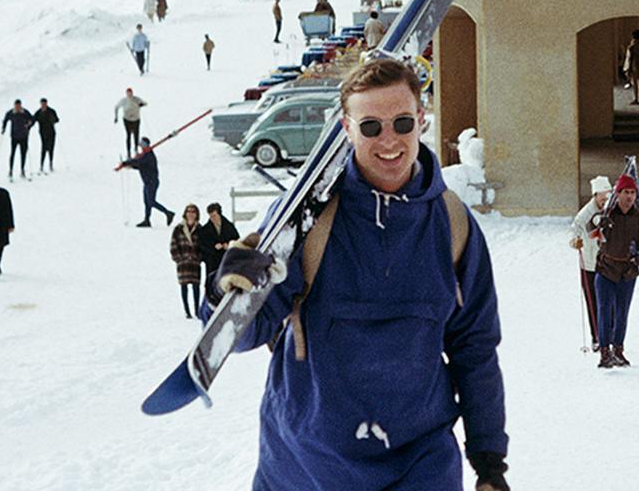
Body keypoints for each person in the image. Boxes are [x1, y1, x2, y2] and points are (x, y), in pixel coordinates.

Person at [210, 55, 508, 491]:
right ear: (346, 129)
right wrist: (230, 291)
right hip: (307, 464)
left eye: (402, 123)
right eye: (371, 127)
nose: (389, 140)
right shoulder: (306, 219)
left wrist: (489, 463)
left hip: (418, 464)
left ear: (421, 120)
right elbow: (241, 335)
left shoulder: (453, 225)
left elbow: (475, 348)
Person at [592, 173, 639, 367]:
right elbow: (590, 224)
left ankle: (618, 349)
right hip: (606, 269)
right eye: (625, 192)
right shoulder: (607, 215)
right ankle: (604, 351)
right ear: (617, 194)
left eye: (632, 193)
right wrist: (599, 224)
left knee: (621, 312)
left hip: (627, 272)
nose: (629, 197)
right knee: (604, 310)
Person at [568, 174, 612, 354]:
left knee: (610, 302)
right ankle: (597, 337)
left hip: (609, 263)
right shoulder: (584, 215)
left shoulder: (611, 209)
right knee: (594, 302)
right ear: (595, 196)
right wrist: (574, 242)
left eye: (607, 198)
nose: (604, 202)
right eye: (601, 199)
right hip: (590, 264)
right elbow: (574, 234)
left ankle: (610, 336)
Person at [123, 137, 174, 227]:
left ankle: (168, 213)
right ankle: (147, 220)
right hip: (147, 182)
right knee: (147, 202)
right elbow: (140, 165)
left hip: (152, 182)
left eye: (142, 144)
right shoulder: (144, 155)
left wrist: (127, 162)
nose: (141, 145)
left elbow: (138, 162)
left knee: (151, 201)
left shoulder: (148, 155)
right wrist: (130, 165)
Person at [171, 203, 204, 317]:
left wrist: (199, 257)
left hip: (194, 262)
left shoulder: (200, 229)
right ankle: (187, 311)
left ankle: (196, 310)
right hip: (183, 262)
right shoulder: (178, 229)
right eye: (188, 211)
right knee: (184, 286)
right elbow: (173, 245)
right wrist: (178, 258)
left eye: (193, 212)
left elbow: (203, 245)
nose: (190, 214)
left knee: (196, 287)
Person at [199, 201, 239, 284]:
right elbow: (202, 246)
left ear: (219, 214)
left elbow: (237, 240)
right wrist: (213, 247)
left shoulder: (229, 227)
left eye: (214, 216)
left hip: (227, 260)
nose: (213, 218)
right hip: (213, 263)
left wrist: (228, 245)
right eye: (211, 216)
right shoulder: (205, 230)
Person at [2, 99, 34, 178]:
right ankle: (10, 170)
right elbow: (5, 120)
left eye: (19, 106)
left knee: (23, 153)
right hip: (14, 136)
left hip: (24, 136)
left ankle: (22, 169)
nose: (17, 108)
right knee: (12, 153)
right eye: (16, 106)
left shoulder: (24, 112)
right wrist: (3, 128)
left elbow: (32, 119)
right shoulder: (11, 113)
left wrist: (28, 126)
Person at [115, 88, 146, 157]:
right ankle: (128, 152)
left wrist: (142, 104)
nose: (129, 94)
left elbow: (145, 103)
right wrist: (116, 117)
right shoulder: (124, 101)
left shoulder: (136, 99)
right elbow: (116, 107)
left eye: (130, 93)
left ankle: (136, 150)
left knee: (136, 135)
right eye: (128, 93)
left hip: (136, 120)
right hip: (127, 120)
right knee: (128, 135)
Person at [623, 30, 639, 106]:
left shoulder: (631, 47)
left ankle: (636, 98)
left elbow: (630, 58)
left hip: (634, 67)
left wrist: (628, 69)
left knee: (635, 84)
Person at [35, 97, 59, 172]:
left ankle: (51, 164)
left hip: (51, 132)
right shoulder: (38, 112)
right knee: (44, 148)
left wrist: (53, 120)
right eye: (42, 104)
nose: (43, 105)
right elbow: (33, 119)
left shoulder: (51, 111)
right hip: (43, 133)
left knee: (51, 148)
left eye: (44, 104)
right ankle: (41, 165)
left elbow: (57, 119)